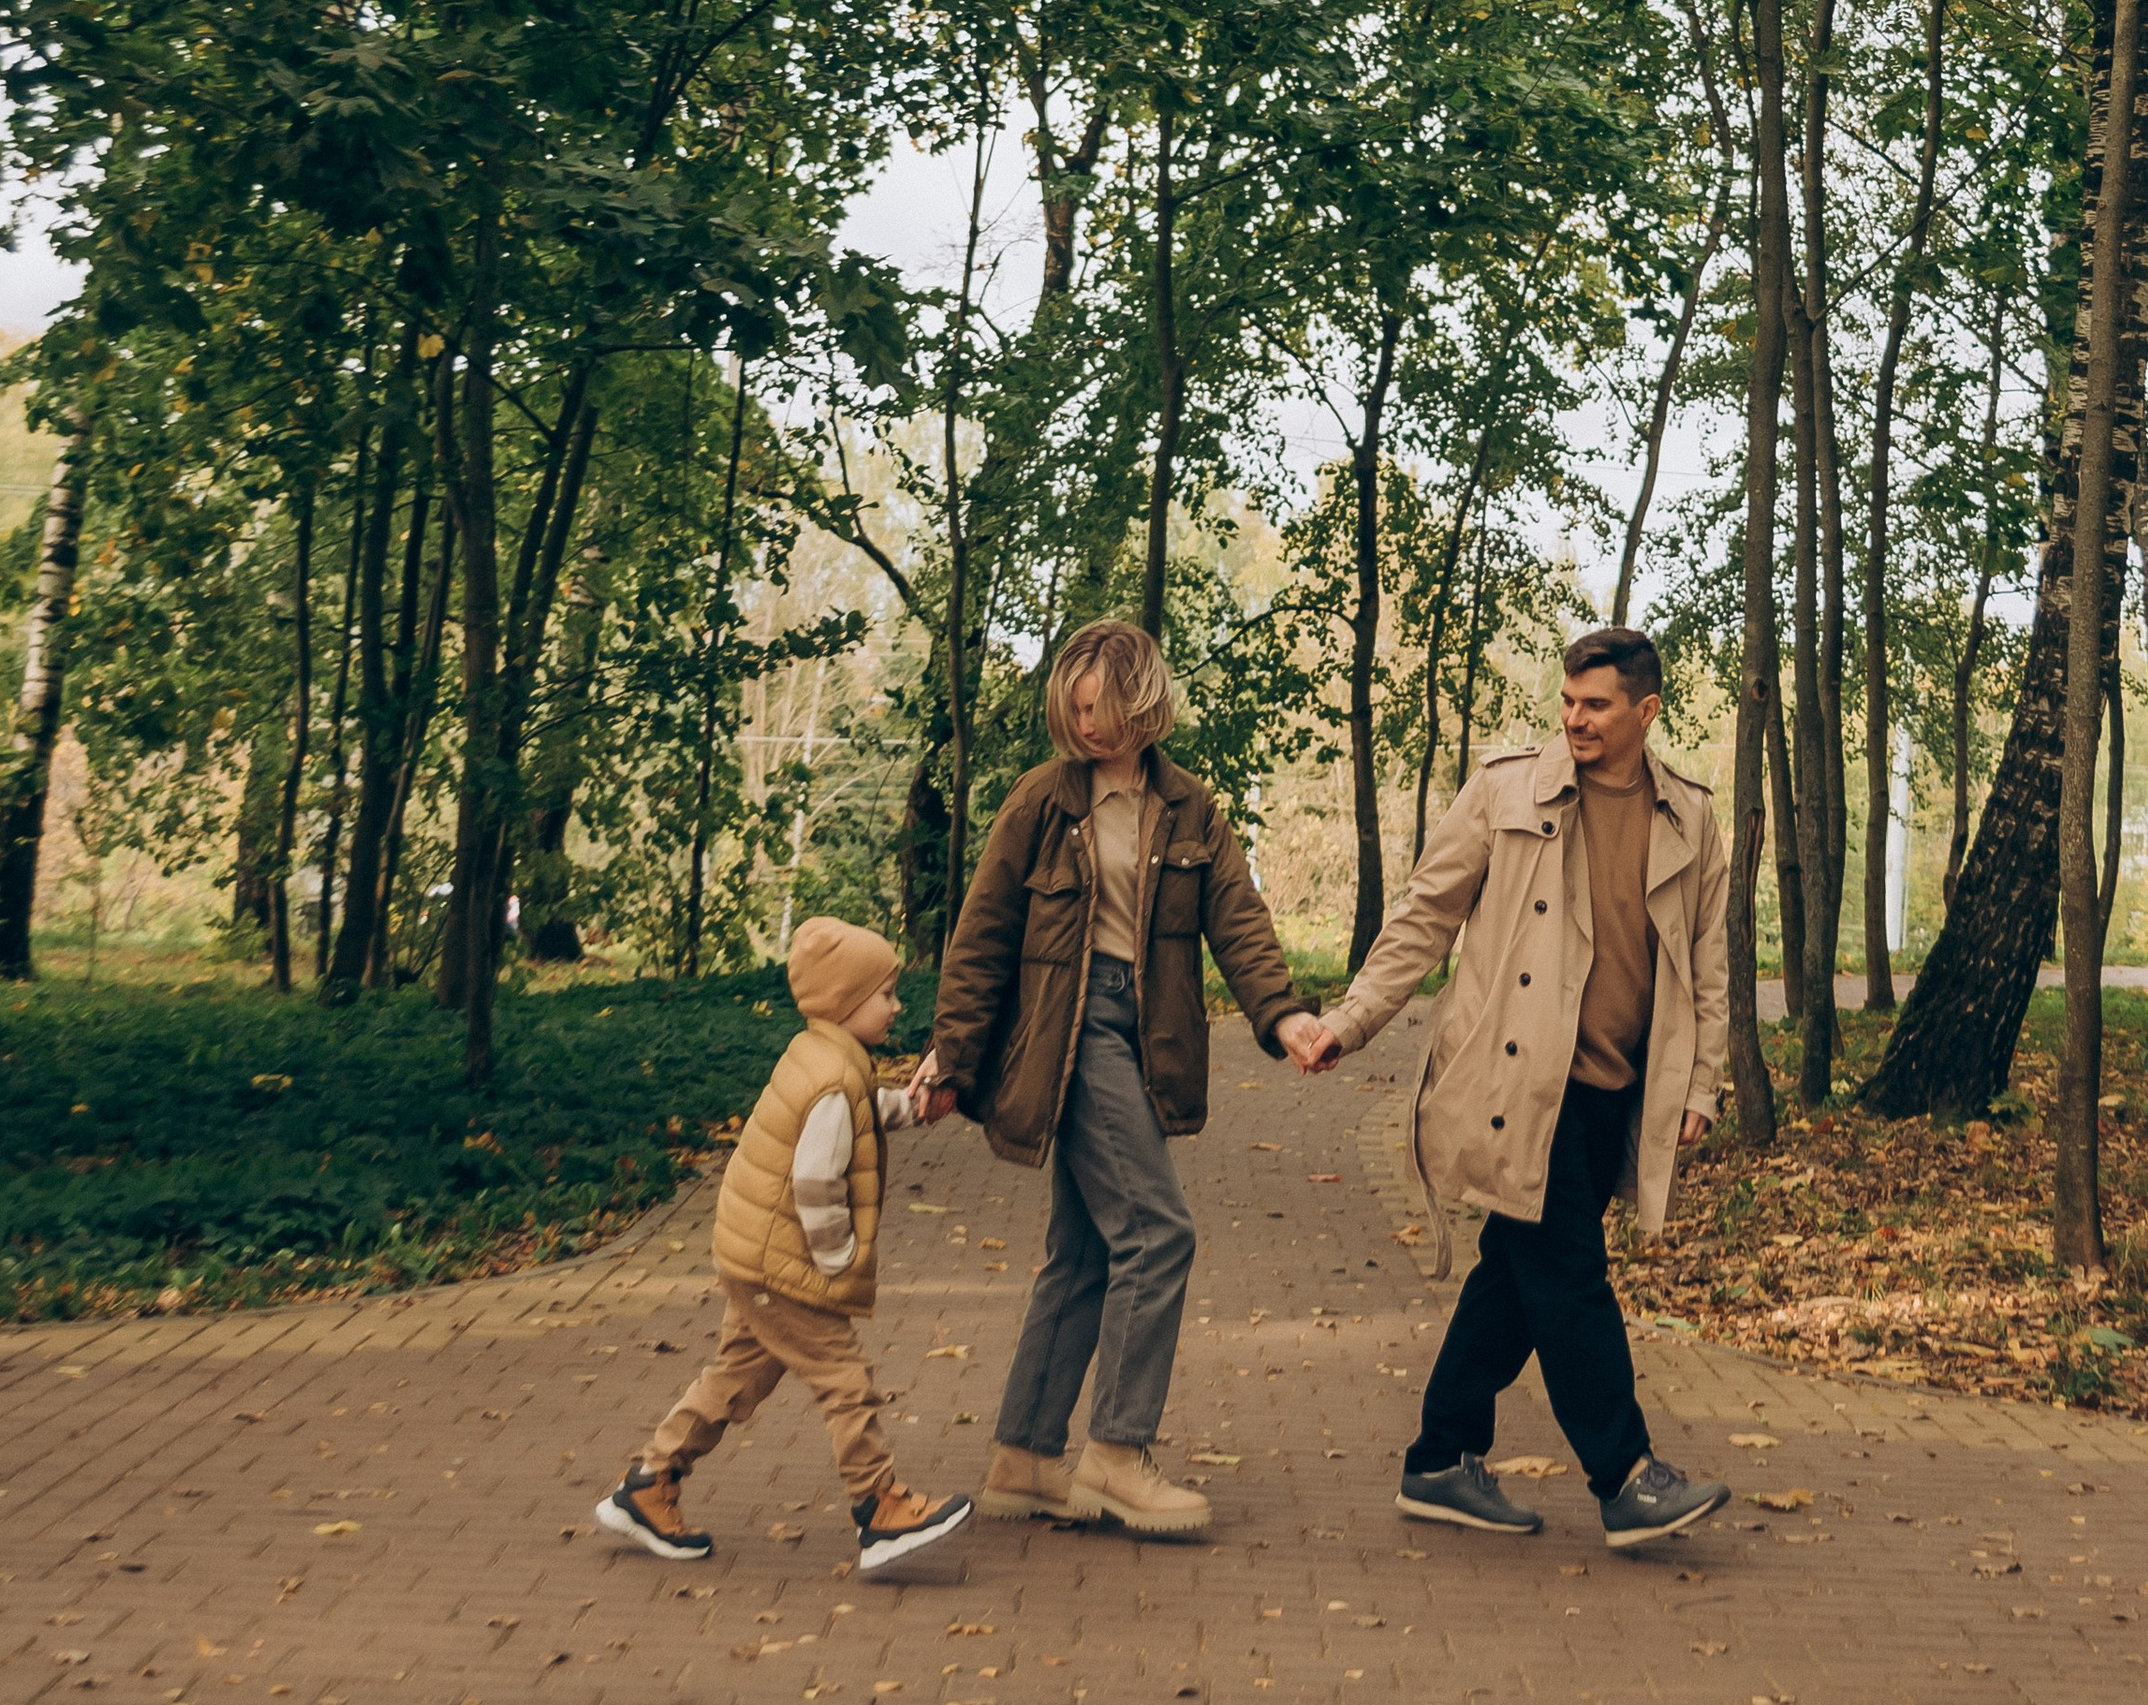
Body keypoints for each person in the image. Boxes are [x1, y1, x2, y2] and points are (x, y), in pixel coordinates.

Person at [1302, 625, 1733, 1554]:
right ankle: (1625, 1476)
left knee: (1515, 1272)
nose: (1575, 718)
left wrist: (1703, 1082)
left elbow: (1708, 961)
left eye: (1597, 704)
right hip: (1521, 1080)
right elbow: (1426, 909)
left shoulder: (1689, 817)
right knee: (1570, 1275)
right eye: (1568, 701)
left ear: (1644, 711)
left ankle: (1440, 1459)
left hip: (1620, 1084)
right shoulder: (1508, 788)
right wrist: (1352, 1017)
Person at [924, 617, 1330, 1537]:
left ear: (1141, 700)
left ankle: (1025, 1455)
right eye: (1073, 706)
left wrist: (1286, 1016)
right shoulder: (1042, 801)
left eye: (1099, 703)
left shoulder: (1188, 809)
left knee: (1085, 1250)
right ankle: (1114, 1453)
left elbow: (1239, 921)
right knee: (1158, 1232)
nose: (1087, 722)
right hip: (1065, 1032)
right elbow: (982, 932)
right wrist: (953, 1055)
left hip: (1139, 1029)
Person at [594, 915, 975, 1583]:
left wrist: (909, 1108)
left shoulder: (823, 1056)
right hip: (784, 1262)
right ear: (844, 1003)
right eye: (885, 994)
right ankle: (880, 1507)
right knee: (843, 1379)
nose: (896, 1005)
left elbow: (856, 1109)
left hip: (751, 1253)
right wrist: (835, 1260)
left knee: (738, 1375)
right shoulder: (831, 1078)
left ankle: (650, 1484)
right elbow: (815, 1180)